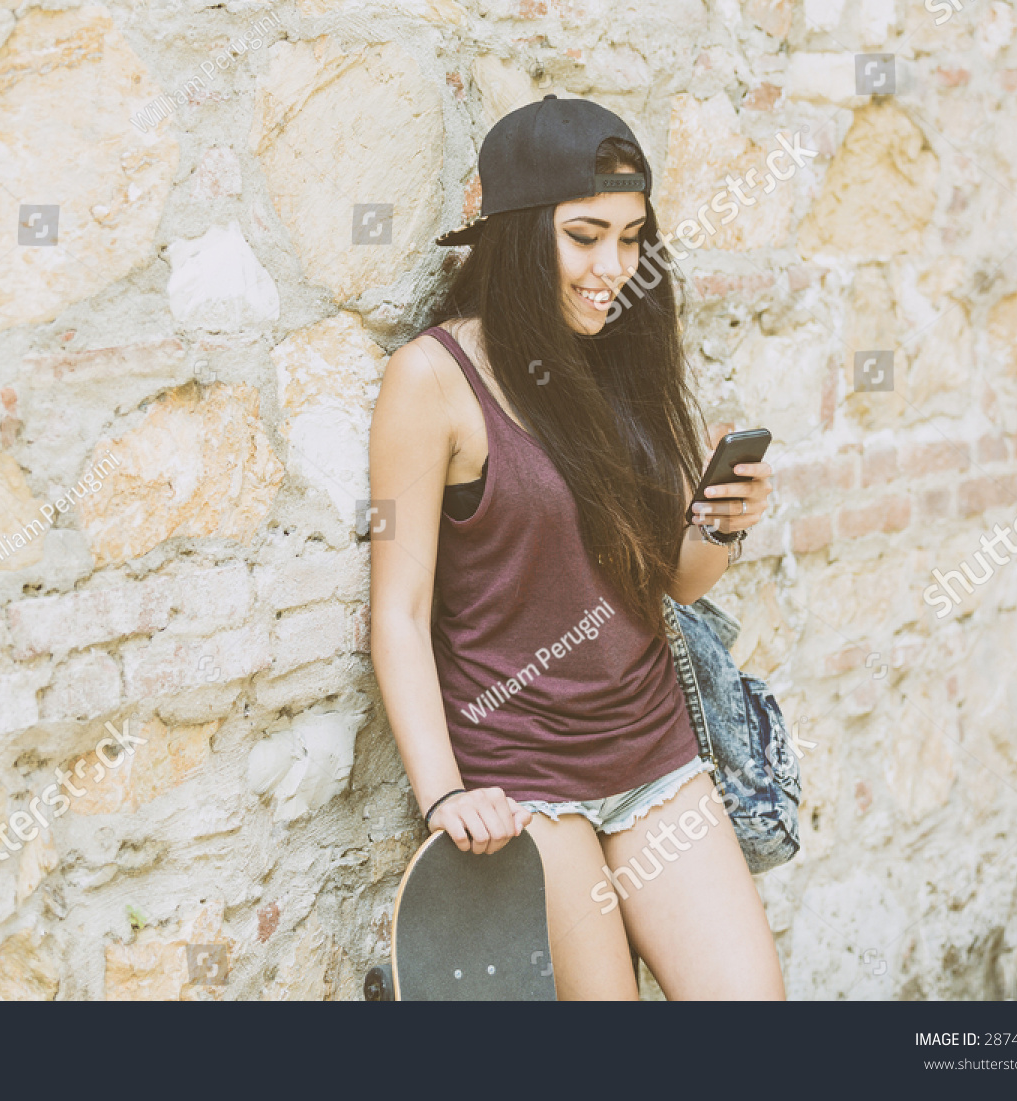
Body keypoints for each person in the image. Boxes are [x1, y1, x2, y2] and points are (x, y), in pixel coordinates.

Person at [367, 95, 784, 1000]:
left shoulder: (624, 354)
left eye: (633, 238)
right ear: (518, 237)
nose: (615, 268)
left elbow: (674, 577)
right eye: (586, 235)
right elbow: (397, 613)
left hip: (658, 758)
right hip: (527, 784)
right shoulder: (433, 380)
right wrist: (445, 795)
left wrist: (718, 522)